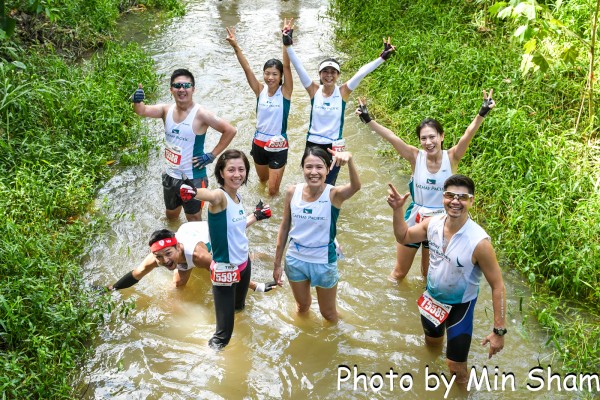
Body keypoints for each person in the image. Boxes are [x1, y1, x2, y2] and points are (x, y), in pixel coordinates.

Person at [355, 91, 496, 281]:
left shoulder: (452, 157)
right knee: (398, 273)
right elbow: (391, 137)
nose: (428, 143)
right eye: (423, 138)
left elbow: (467, 135)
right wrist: (368, 119)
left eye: (432, 137)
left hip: (441, 222)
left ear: (441, 136)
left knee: (428, 277)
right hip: (415, 217)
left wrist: (482, 112)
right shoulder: (415, 156)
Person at [386, 174, 507, 384]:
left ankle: (464, 393)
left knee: (456, 369)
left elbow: (498, 286)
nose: (455, 201)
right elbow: (403, 237)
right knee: (432, 345)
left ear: (471, 201)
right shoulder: (432, 224)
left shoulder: (479, 242)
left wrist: (499, 331)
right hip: (432, 301)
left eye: (462, 197)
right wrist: (397, 211)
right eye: (450, 195)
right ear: (443, 198)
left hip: (460, 308)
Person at [281, 18, 395, 184]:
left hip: (335, 146)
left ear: (338, 75)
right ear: (320, 75)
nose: (329, 75)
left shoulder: (343, 92)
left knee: (329, 185)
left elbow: (361, 73)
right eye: (325, 71)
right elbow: (299, 67)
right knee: (311, 182)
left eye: (333, 72)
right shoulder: (313, 90)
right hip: (313, 143)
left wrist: (382, 58)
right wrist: (288, 45)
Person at [179, 149, 272, 349]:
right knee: (223, 335)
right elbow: (209, 195)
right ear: (221, 172)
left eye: (241, 169)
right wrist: (194, 193)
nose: (237, 174)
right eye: (231, 170)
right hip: (225, 271)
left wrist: (256, 216)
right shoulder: (220, 196)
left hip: (244, 265)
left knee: (239, 309)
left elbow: (235, 227)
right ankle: (208, 367)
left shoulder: (236, 198)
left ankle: (243, 338)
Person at [131, 69, 237, 222]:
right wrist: (137, 100)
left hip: (193, 177)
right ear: (171, 89)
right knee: (171, 216)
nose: (182, 89)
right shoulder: (165, 110)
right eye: (177, 86)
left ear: (193, 89)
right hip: (170, 174)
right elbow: (141, 111)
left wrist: (212, 155)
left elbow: (230, 130)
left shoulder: (201, 114)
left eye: (186, 85)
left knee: (193, 219)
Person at [273, 146, 361, 323]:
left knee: (328, 313)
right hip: (295, 259)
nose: (314, 172)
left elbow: (356, 186)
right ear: (303, 169)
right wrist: (277, 264)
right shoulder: (293, 192)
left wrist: (349, 159)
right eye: (309, 167)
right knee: (302, 307)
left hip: (323, 261)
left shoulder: (334, 194)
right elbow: (284, 227)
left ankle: (340, 340)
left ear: (328, 169)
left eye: (319, 167)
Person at [107, 221, 277, 292]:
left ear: (178, 247)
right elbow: (136, 274)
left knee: (241, 260)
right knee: (178, 284)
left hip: (214, 239)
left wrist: (257, 287)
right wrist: (112, 289)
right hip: (190, 233)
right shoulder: (159, 256)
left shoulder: (198, 256)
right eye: (159, 257)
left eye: (168, 254)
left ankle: (267, 256)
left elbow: (228, 272)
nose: (164, 261)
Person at [225, 26, 293, 196]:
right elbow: (247, 68)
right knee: (262, 182)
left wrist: (285, 41)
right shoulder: (259, 90)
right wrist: (235, 45)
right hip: (259, 145)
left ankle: (273, 219)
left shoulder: (285, 92)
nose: (270, 77)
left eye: (275, 74)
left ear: (280, 77)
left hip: (278, 145)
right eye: (267, 73)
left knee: (272, 191)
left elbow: (287, 66)